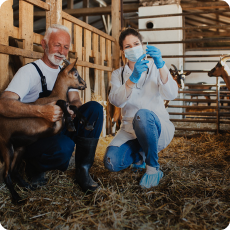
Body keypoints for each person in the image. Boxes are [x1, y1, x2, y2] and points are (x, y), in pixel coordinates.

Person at [0, 24, 103, 192]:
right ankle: (34, 167)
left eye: (66, 47)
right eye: (57, 45)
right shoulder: (29, 72)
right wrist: (40, 111)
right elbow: (3, 104)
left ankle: (83, 170)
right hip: (36, 136)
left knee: (95, 109)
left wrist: (72, 108)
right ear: (44, 44)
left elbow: (76, 99)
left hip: (60, 126)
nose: (61, 51)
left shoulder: (67, 72)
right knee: (64, 148)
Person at [104, 28, 178, 188]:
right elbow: (116, 101)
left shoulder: (155, 67)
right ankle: (140, 155)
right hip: (129, 130)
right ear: (123, 51)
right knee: (111, 162)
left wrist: (161, 64)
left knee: (142, 116)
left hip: (155, 127)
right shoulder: (118, 74)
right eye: (128, 46)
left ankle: (153, 168)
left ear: (142, 45)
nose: (133, 48)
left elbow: (171, 94)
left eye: (136, 44)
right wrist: (133, 79)